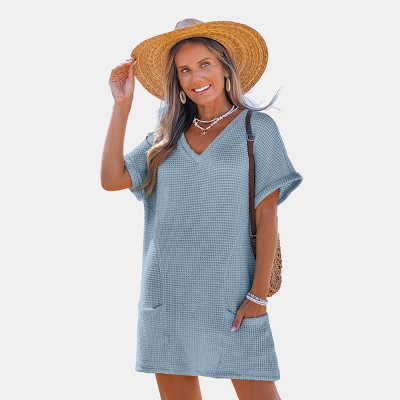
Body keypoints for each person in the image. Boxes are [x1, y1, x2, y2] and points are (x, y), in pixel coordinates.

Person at [101, 18, 303, 400]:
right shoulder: (164, 138)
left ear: (226, 68)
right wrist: (122, 105)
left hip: (234, 298)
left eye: (204, 64)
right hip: (167, 297)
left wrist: (258, 295)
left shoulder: (256, 129)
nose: (195, 77)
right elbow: (111, 178)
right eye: (185, 70)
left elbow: (267, 216)